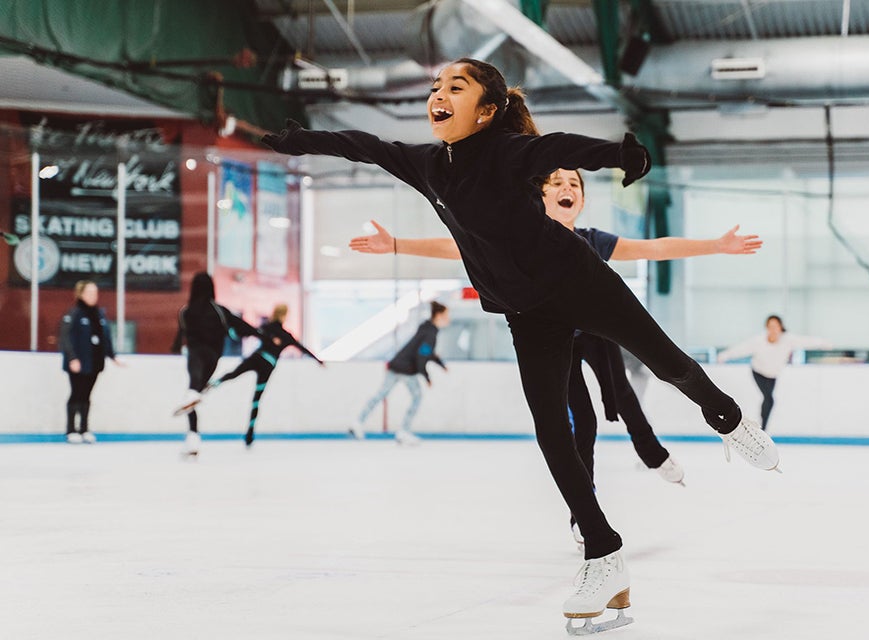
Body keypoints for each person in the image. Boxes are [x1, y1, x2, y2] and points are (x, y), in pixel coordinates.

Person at [262, 57, 779, 630]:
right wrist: (302, 141)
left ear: (487, 111)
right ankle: (603, 553)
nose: (438, 94)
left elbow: (557, 147)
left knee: (667, 363)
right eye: (436, 86)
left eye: (455, 86)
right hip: (527, 314)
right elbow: (366, 146)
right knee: (552, 431)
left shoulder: (506, 152)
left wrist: (619, 155)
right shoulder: (427, 164)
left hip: (580, 283)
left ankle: (728, 418)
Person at [349, 168, 763, 546]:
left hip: (596, 332)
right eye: (557, 183)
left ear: (581, 200)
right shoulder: (515, 242)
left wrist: (716, 245)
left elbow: (651, 248)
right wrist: (396, 244)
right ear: (539, 196)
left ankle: (652, 453)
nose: (568, 188)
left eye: (575, 184)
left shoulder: (592, 240)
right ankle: (583, 514)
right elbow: (456, 245)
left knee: (620, 392)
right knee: (583, 423)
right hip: (556, 339)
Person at [197, 303, 325, 447]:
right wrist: (318, 360)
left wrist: (232, 330)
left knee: (233, 374)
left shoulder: (266, 328)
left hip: (257, 358)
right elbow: (302, 348)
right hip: (267, 365)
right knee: (256, 400)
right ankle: (250, 433)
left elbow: (248, 331)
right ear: (284, 316)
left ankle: (213, 383)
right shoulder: (286, 336)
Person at [171, 272, 262, 456]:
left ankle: (193, 436)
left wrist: (175, 348)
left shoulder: (186, 312)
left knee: (193, 388)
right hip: (212, 359)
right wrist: (261, 334)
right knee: (194, 393)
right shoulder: (219, 311)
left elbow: (179, 339)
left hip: (195, 357)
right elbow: (241, 326)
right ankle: (192, 435)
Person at [349, 301, 449, 445]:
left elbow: (425, 352)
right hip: (406, 369)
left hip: (396, 364)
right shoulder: (430, 333)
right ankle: (404, 431)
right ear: (439, 316)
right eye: (446, 315)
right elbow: (422, 356)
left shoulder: (426, 328)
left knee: (381, 394)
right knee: (417, 397)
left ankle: (358, 422)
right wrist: (427, 377)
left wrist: (440, 364)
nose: (448, 319)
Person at [718, 314, 830, 430]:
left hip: (772, 376)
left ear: (781, 327)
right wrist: (725, 355)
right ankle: (763, 428)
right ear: (767, 328)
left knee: (768, 400)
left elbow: (805, 341)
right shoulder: (759, 341)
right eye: (770, 327)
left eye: (775, 326)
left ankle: (763, 427)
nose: (773, 330)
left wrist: (822, 343)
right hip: (758, 372)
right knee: (769, 399)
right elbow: (742, 349)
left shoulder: (788, 339)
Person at [58, 281, 122, 443]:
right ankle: (71, 429)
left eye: (95, 293)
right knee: (77, 393)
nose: (94, 296)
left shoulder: (99, 314)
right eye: (90, 292)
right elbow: (65, 337)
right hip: (78, 362)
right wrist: (72, 358)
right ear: (81, 294)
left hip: (95, 362)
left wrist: (112, 355)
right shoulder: (74, 313)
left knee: (86, 395)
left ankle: (84, 428)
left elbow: (105, 336)